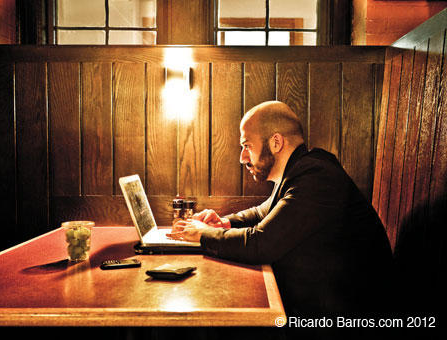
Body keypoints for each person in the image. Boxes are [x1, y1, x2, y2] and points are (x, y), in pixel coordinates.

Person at [167, 101, 394, 319]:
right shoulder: (300, 172)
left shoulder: (317, 177)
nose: (241, 157)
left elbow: (261, 244)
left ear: (276, 142)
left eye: (247, 146)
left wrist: (203, 234)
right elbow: (260, 213)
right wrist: (224, 223)